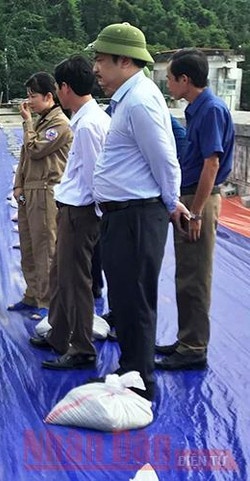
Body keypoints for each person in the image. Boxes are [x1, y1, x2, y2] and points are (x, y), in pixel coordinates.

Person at [87, 22, 190, 400]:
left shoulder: (141, 100)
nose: (96, 68)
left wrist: (170, 202)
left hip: (137, 214)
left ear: (124, 60)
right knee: (126, 299)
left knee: (136, 300)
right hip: (123, 213)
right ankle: (130, 369)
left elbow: (164, 159)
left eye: (101, 59)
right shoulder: (130, 99)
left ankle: (140, 382)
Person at [155, 48, 235, 370]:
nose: (168, 86)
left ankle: (194, 347)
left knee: (196, 275)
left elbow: (211, 163)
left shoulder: (211, 110)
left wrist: (197, 210)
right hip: (190, 197)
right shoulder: (197, 108)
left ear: (184, 80)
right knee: (186, 272)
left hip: (199, 199)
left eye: (170, 79)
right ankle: (186, 337)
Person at [29, 56, 110, 370]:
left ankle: (81, 347)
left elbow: (94, 178)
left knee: (76, 281)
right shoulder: (83, 118)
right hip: (73, 208)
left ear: (64, 88)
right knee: (60, 275)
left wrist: (96, 217)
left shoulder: (89, 125)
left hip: (82, 210)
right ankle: (59, 332)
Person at [8, 72, 71, 320]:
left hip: (46, 191)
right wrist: (17, 185)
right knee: (28, 245)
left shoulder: (58, 125)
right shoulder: (41, 123)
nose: (29, 102)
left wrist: (26, 122)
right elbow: (23, 157)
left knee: (46, 247)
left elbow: (34, 150)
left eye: (32, 96)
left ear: (48, 96)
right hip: (29, 190)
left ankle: (47, 302)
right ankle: (32, 294)